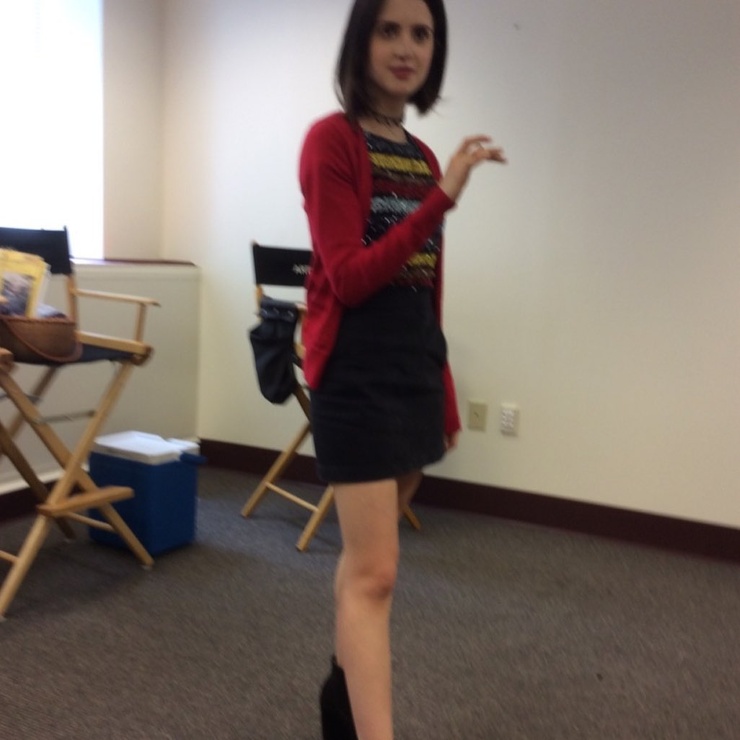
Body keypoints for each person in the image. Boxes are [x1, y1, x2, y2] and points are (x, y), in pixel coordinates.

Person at [298, 0, 506, 737]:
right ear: (362, 40)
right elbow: (350, 278)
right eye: (389, 29)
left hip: (413, 364)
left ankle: (341, 699)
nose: (406, 47)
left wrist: (441, 389)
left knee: (367, 562)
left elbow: (425, 286)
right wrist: (440, 200)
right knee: (377, 573)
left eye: (422, 33)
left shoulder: (420, 157)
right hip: (354, 368)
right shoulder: (330, 142)